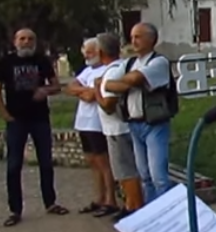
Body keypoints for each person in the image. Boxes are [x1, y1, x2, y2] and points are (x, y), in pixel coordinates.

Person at [0, 28, 69, 227]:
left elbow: (56, 86)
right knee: (14, 165)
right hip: (16, 120)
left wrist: (45, 90)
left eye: (30, 39)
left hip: (39, 118)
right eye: (22, 39)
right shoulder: (6, 62)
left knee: (46, 162)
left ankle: (50, 202)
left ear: (35, 42)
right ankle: (15, 210)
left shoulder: (42, 61)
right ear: (15, 42)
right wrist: (5, 114)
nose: (26, 42)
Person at [104, 22, 176, 203]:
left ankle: (165, 210)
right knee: (144, 175)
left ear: (151, 39)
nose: (133, 41)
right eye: (132, 37)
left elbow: (136, 78)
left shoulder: (158, 62)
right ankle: (151, 210)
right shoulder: (130, 63)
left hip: (154, 123)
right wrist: (129, 82)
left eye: (138, 37)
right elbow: (108, 84)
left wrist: (128, 81)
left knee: (158, 175)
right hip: (134, 123)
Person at [93, 32, 145, 221]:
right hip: (116, 129)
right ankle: (130, 204)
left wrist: (97, 90)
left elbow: (108, 105)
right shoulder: (117, 68)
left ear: (101, 51)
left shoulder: (113, 72)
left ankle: (134, 207)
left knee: (126, 170)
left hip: (118, 129)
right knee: (122, 170)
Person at [65, 37, 119, 218]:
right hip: (83, 122)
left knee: (103, 162)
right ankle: (99, 198)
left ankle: (111, 200)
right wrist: (85, 91)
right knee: (92, 161)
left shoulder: (107, 70)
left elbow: (91, 96)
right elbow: (70, 87)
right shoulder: (88, 71)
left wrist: (84, 92)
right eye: (85, 52)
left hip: (98, 123)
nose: (86, 56)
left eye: (90, 52)